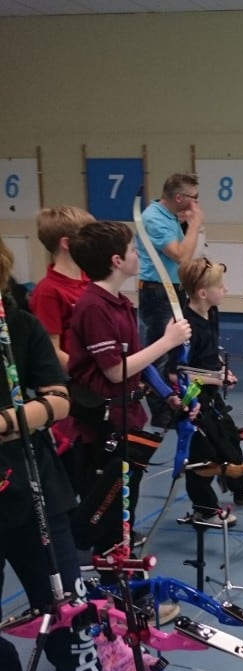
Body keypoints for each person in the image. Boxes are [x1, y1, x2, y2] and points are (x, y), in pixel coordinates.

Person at [0, 238, 103, 671]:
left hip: (33, 487)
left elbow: (60, 400)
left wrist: (8, 421)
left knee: (66, 608)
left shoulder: (19, 326)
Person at [65, 222, 191, 563]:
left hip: (129, 419)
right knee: (107, 510)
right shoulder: (93, 307)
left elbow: (137, 362)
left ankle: (123, 571)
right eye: (134, 250)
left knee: (126, 504)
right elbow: (115, 370)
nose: (138, 255)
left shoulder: (119, 303)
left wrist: (167, 395)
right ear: (117, 261)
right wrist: (167, 342)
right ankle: (112, 578)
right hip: (103, 427)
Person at [176, 257, 243, 526]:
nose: (226, 290)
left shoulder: (211, 312)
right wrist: (215, 378)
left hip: (211, 392)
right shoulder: (185, 327)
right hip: (192, 397)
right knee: (202, 455)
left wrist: (222, 370)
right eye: (220, 286)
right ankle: (204, 509)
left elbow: (211, 354)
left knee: (229, 439)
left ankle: (242, 489)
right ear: (202, 293)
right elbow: (178, 373)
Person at [28, 205, 95, 486]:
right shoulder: (47, 291)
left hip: (95, 391)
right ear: (67, 244)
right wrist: (90, 374)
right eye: (88, 237)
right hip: (74, 392)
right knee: (74, 473)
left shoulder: (90, 280)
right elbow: (51, 350)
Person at [136, 173, 203, 428]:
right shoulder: (154, 218)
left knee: (177, 351)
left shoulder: (171, 216)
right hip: (157, 291)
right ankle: (160, 411)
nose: (196, 202)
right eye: (194, 197)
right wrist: (195, 225)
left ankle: (176, 403)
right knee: (158, 353)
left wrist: (186, 225)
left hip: (172, 288)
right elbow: (181, 256)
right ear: (179, 198)